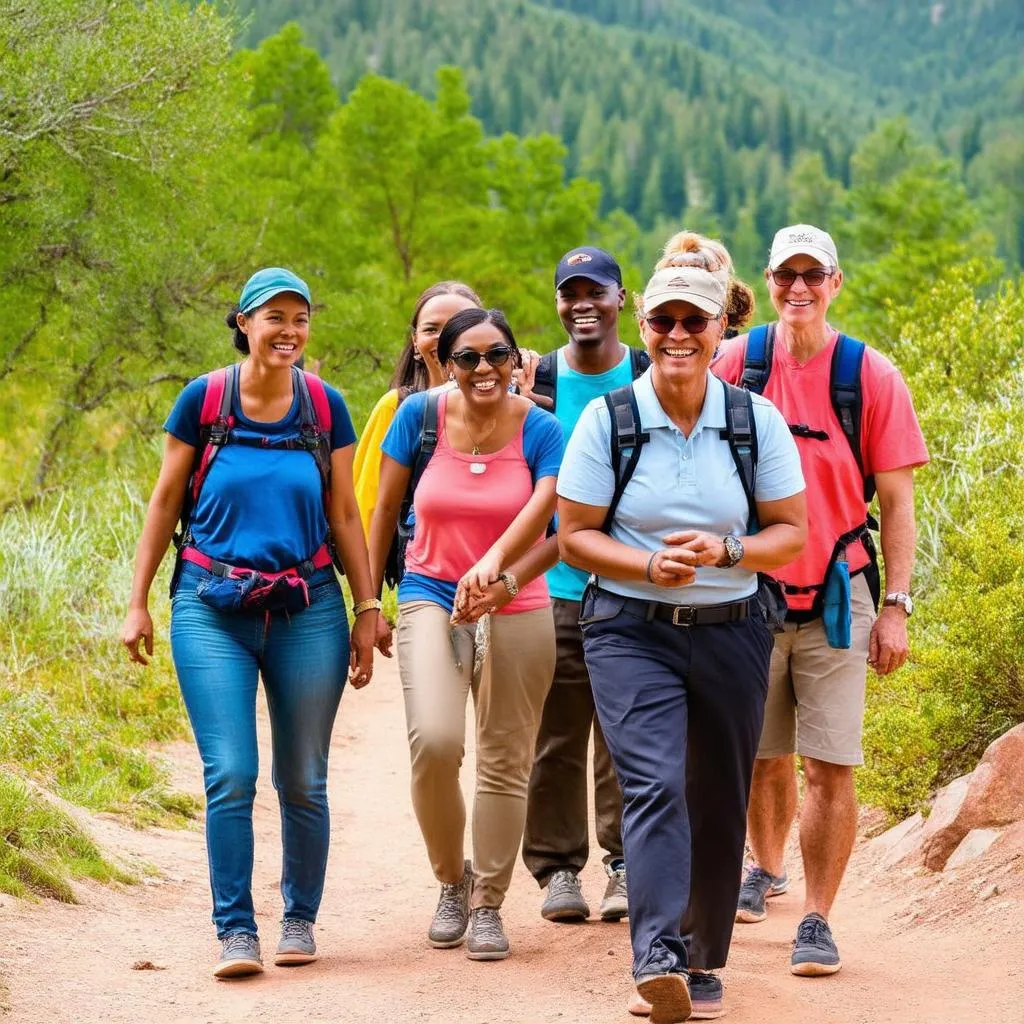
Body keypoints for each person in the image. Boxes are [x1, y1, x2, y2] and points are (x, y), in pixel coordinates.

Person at [557, 256, 806, 1022]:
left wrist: (730, 551)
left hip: (734, 628)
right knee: (656, 784)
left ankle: (701, 961)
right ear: (644, 326)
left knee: (718, 792)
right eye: (663, 321)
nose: (676, 335)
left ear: (720, 327)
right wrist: (647, 563)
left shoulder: (752, 419)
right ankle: (657, 955)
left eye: (693, 321)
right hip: (629, 630)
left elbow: (791, 534)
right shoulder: (610, 421)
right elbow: (573, 538)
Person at [121, 268, 384, 979]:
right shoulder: (204, 400)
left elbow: (346, 515)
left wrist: (366, 609)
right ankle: (235, 930)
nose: (289, 331)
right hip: (210, 606)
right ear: (243, 322)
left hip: (309, 610)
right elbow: (164, 500)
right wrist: (138, 600)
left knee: (303, 778)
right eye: (274, 317)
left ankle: (299, 918)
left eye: (300, 318)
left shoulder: (325, 408)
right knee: (231, 773)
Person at [712, 224, 929, 976]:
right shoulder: (738, 363)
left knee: (830, 764)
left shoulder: (869, 375)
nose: (798, 288)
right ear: (768, 283)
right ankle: (764, 869)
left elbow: (897, 502)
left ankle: (816, 917)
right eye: (785, 276)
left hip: (841, 592)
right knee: (759, 756)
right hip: (748, 594)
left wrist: (896, 604)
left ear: (836, 282)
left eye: (813, 274)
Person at [368, 307, 564, 961]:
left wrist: (498, 568)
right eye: (469, 358)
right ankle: (452, 881)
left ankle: (488, 905)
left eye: (498, 355)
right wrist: (368, 600)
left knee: (506, 760)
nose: (485, 370)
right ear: (447, 363)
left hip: (517, 601)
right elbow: (380, 510)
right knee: (435, 740)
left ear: (517, 359)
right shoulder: (418, 418)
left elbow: (552, 511)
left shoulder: (542, 429)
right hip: (431, 595)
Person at [517, 246, 648, 925]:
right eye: (571, 292)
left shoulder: (649, 372)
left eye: (596, 291)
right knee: (556, 734)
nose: (582, 304)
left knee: (627, 733)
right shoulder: (534, 378)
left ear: (622, 299)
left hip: (637, 586)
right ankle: (557, 869)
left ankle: (625, 863)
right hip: (556, 585)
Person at [353, 282, 482, 540]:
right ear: (415, 341)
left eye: (460, 326)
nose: (445, 339)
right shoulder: (396, 407)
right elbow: (367, 508)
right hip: (420, 574)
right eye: (432, 329)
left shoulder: (515, 408)